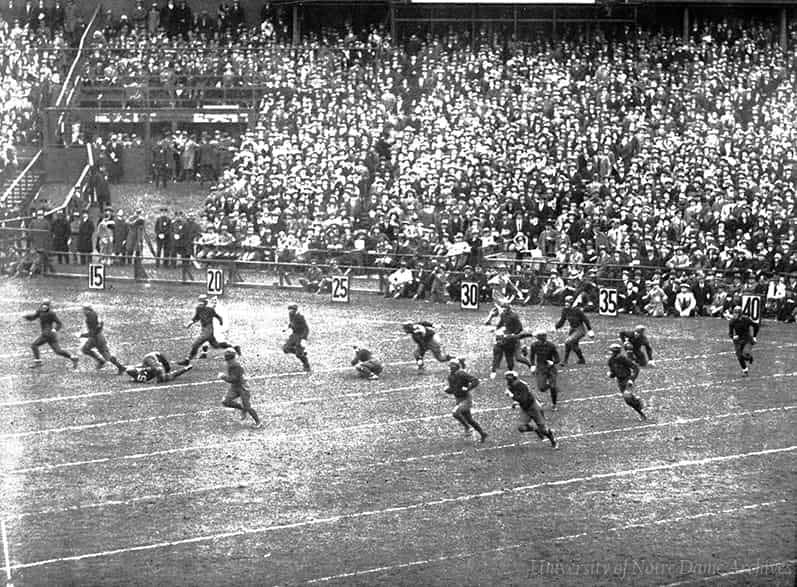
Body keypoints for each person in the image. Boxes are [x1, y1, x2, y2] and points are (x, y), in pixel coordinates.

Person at [178, 295, 239, 365]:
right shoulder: (199, 308)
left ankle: (187, 360)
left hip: (208, 330)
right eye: (200, 302)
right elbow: (195, 318)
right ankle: (234, 347)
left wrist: (221, 321)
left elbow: (218, 316)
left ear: (205, 302)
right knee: (216, 345)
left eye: (202, 302)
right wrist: (189, 324)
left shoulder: (209, 309)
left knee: (195, 344)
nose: (200, 304)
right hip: (206, 330)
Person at [503, 371, 557, 448]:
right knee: (521, 427)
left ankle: (553, 440)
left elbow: (523, 399)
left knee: (544, 430)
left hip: (533, 407)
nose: (508, 381)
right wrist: (515, 401)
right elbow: (519, 396)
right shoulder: (511, 385)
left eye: (509, 379)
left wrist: (512, 396)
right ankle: (535, 429)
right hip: (525, 408)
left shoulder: (521, 385)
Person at [24, 299, 79, 369]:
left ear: (48, 306)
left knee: (34, 345)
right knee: (58, 351)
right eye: (43, 304)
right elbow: (33, 317)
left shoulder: (51, 313)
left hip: (48, 334)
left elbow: (59, 323)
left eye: (46, 305)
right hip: (50, 335)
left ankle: (38, 362)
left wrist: (55, 329)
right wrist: (26, 317)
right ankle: (73, 357)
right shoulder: (39, 311)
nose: (44, 306)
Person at [516, 330, 562, 410]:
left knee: (553, 387)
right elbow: (532, 356)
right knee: (541, 388)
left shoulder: (551, 345)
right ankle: (552, 388)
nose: (542, 338)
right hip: (541, 368)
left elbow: (557, 358)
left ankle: (554, 404)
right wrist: (533, 365)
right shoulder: (534, 345)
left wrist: (553, 362)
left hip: (551, 368)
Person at [444, 358, 487, 443]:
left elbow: (475, 381)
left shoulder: (461, 374)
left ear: (456, 366)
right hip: (458, 399)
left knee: (455, 413)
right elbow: (454, 389)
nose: (450, 367)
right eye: (450, 365)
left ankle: (467, 428)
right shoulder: (450, 377)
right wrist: (448, 390)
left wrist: (468, 388)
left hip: (466, 399)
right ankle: (482, 433)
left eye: (452, 365)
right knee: (469, 420)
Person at [219, 348, 262, 428]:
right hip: (235, 387)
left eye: (228, 360)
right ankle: (242, 408)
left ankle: (258, 422)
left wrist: (223, 377)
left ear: (232, 359)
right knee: (226, 401)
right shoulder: (231, 365)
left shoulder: (236, 366)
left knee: (247, 407)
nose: (227, 362)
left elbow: (234, 379)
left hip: (242, 388)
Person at [606, 343, 648, 421]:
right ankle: (640, 410)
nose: (610, 353)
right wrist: (611, 374)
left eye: (611, 351)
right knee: (628, 401)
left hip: (627, 379)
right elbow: (613, 373)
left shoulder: (623, 359)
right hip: (620, 381)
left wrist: (631, 379)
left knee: (627, 395)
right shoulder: (610, 361)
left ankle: (638, 404)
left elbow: (635, 368)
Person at [79, 305, 126, 373]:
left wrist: (82, 335)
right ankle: (100, 361)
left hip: (97, 339)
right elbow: (100, 325)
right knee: (85, 349)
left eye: (84, 310)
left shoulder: (90, 319)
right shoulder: (94, 314)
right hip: (96, 338)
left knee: (107, 356)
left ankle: (120, 367)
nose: (83, 312)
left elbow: (92, 333)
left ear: (87, 310)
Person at [555, 295, 594, 366]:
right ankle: (581, 360)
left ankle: (565, 361)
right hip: (572, 329)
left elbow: (585, 320)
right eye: (566, 302)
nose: (566, 303)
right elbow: (562, 320)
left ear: (572, 303)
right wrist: (556, 326)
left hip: (580, 329)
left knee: (568, 342)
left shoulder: (577, 310)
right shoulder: (565, 310)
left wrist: (590, 330)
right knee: (574, 345)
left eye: (568, 302)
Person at [489, 302, 523, 380]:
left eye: (505, 309)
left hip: (511, 338)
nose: (503, 310)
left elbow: (520, 328)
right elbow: (501, 323)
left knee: (509, 356)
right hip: (503, 337)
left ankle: (511, 371)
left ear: (508, 309)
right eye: (503, 309)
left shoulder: (514, 316)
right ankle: (493, 371)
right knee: (497, 355)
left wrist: (513, 334)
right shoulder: (503, 315)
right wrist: (495, 329)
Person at [728, 305, 759, 376]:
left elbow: (756, 325)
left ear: (740, 314)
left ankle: (749, 357)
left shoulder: (746, 319)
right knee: (739, 356)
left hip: (747, 339)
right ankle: (745, 371)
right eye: (734, 312)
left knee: (745, 353)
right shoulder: (732, 321)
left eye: (736, 313)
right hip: (738, 340)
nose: (734, 314)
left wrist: (754, 337)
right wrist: (733, 337)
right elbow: (730, 333)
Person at [125, 351, 193, 383]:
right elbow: (172, 375)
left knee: (163, 373)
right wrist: (184, 369)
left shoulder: (151, 367)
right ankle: (181, 365)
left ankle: (179, 364)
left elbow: (130, 370)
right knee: (164, 375)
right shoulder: (159, 374)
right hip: (154, 361)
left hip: (153, 359)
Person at [283, 302, 311, 372]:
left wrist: (304, 339)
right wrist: (287, 327)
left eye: (291, 309)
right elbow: (292, 322)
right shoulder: (291, 315)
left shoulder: (300, 316)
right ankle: (301, 352)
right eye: (289, 309)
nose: (290, 311)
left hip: (301, 335)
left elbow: (306, 328)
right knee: (286, 349)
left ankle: (306, 364)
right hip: (295, 334)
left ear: (295, 310)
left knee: (299, 354)